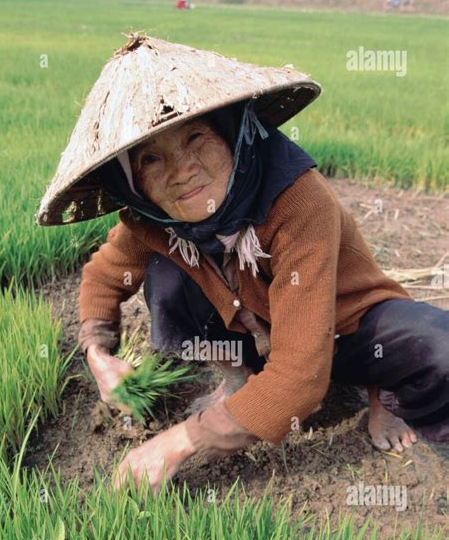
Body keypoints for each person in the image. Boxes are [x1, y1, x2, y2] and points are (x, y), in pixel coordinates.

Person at [37, 34, 449, 493]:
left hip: (345, 326)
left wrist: (178, 443)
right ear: (133, 184)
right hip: (261, 334)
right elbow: (105, 275)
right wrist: (98, 354)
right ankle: (240, 376)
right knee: (165, 276)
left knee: (436, 346)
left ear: (233, 133)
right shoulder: (149, 219)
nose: (182, 169)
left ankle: (381, 391)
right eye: (151, 158)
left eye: (195, 137)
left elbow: (300, 379)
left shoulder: (297, 199)